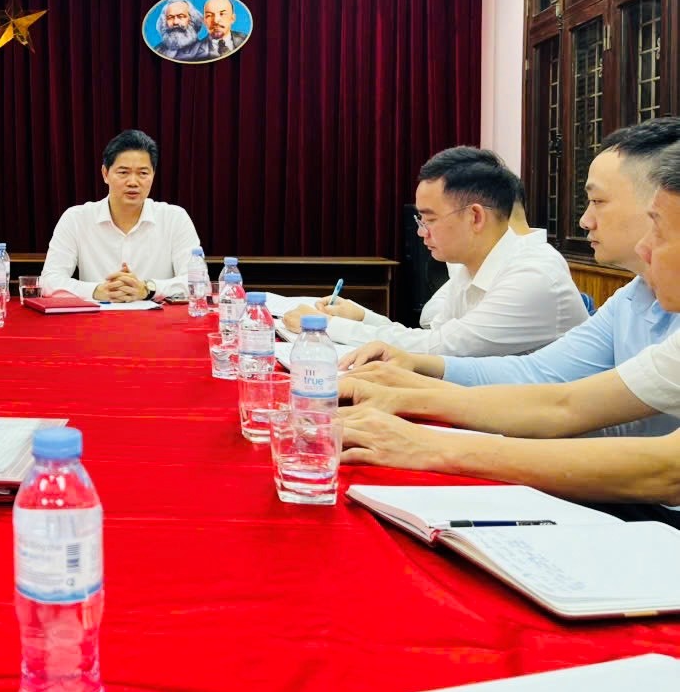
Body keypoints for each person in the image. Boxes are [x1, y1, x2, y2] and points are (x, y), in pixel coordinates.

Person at [340, 140, 680, 508]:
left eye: (597, 201)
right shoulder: (634, 294)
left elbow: (666, 470)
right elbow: (556, 396)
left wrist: (427, 441)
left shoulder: (535, 272)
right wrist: (408, 390)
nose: (584, 220)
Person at [284, 147, 587, 354]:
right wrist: (362, 317)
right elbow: (433, 339)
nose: (421, 232)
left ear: (475, 217)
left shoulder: (532, 274)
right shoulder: (471, 266)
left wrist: (326, 325)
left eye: (429, 219)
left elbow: (440, 350)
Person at [40, 129, 201, 302]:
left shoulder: (175, 218)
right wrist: (96, 291)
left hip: (157, 318)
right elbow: (49, 281)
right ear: (105, 174)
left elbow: (199, 282)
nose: (133, 182)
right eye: (123, 172)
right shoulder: (76, 219)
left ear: (153, 175)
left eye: (143, 173)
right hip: (96, 318)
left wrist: (148, 289)